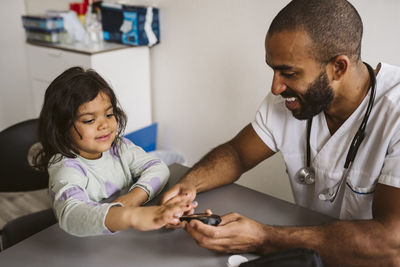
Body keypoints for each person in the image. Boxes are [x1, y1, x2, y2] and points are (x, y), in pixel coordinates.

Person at [161, 0, 400, 265]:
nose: (275, 87)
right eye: (273, 69)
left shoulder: (395, 114)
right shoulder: (292, 100)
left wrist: (263, 238)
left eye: (288, 73)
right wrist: (190, 184)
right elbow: (238, 154)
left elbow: (391, 245)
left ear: (338, 68)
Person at [34, 66, 193, 237]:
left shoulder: (119, 147)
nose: (105, 125)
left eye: (109, 115)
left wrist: (133, 198)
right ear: (61, 128)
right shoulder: (66, 166)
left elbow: (158, 168)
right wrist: (132, 216)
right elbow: (72, 215)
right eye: (89, 120)